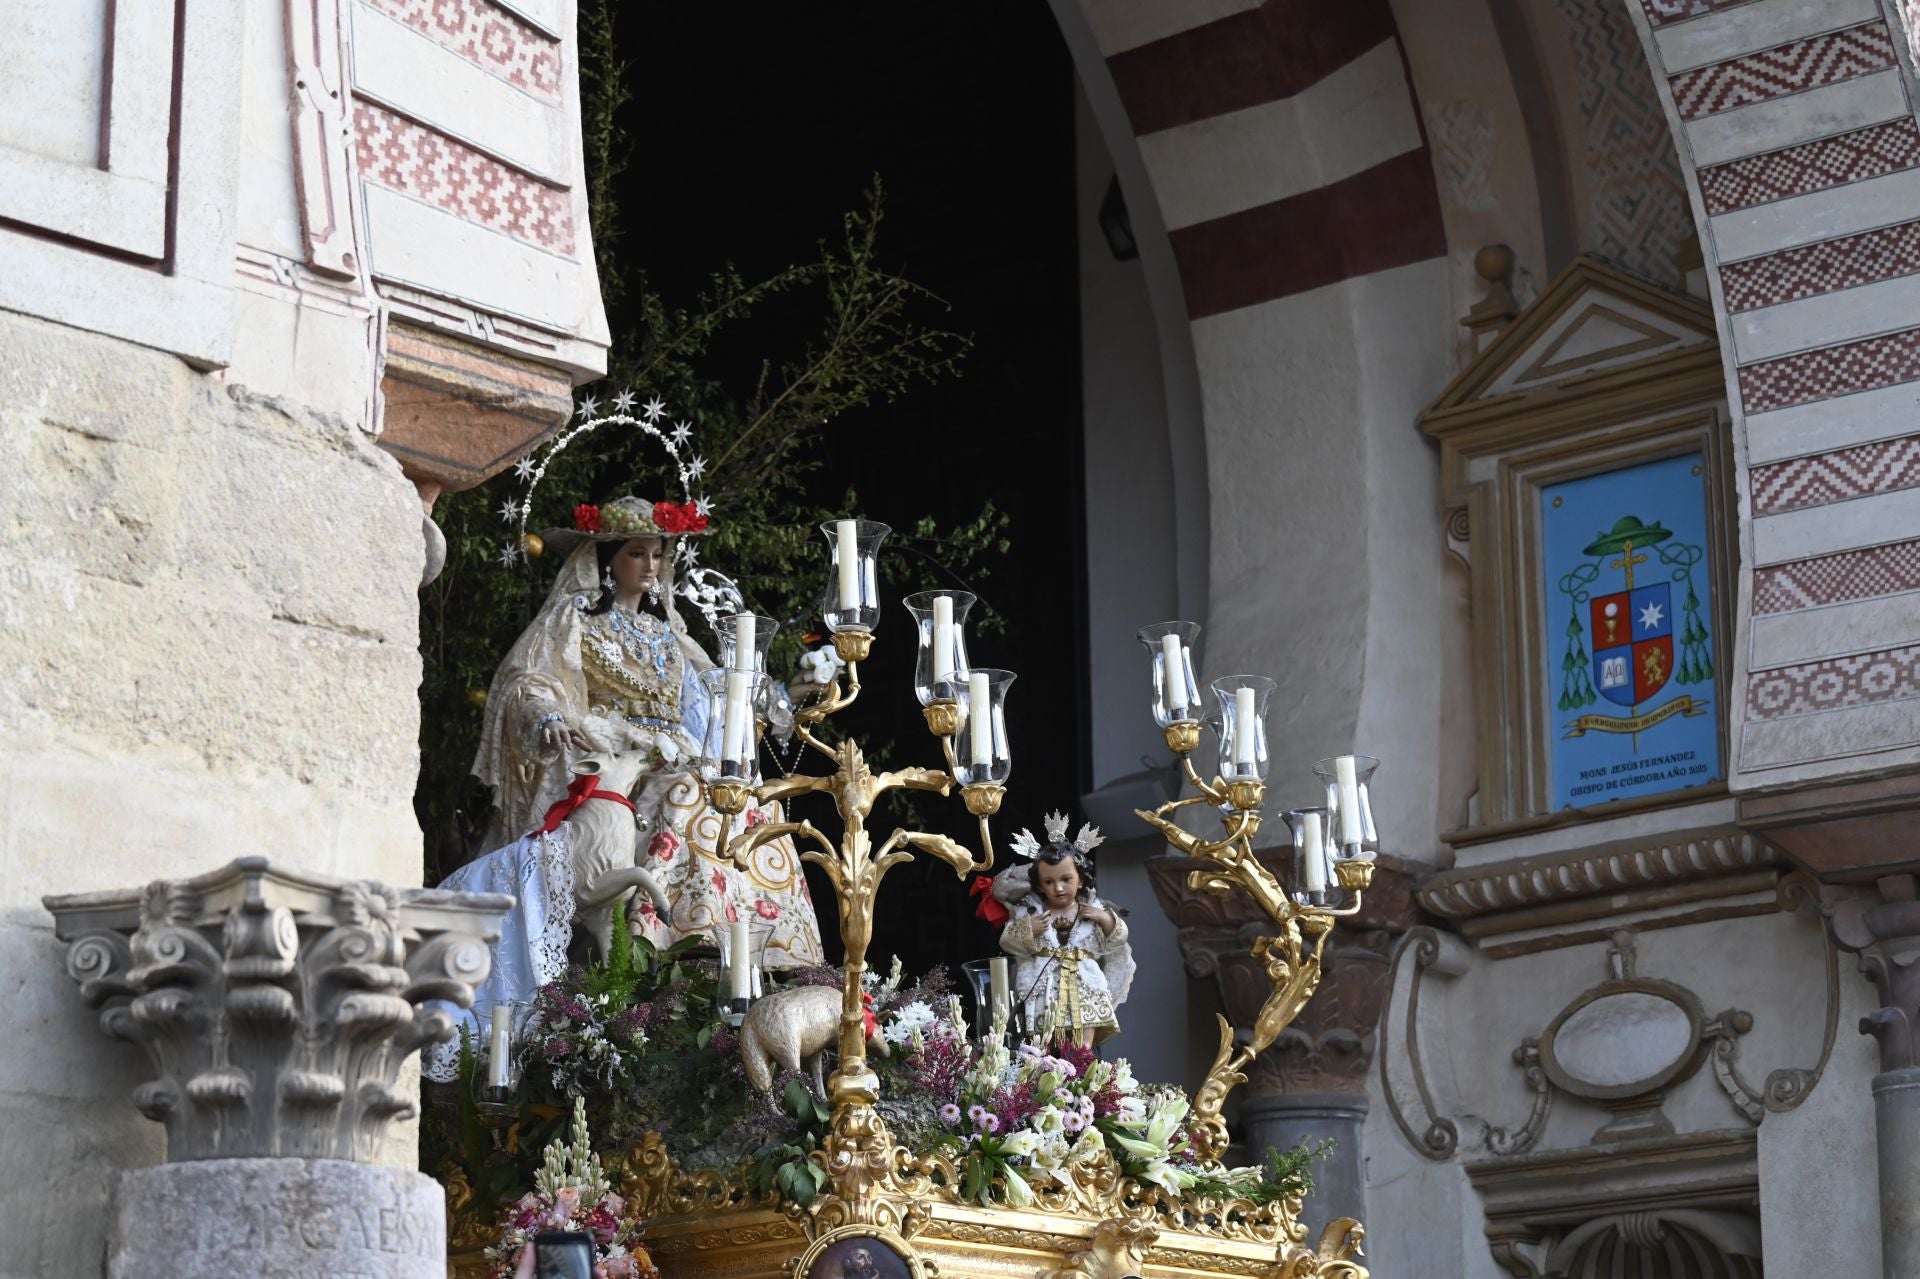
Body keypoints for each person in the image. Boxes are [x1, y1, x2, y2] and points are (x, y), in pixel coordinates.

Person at [469, 495, 824, 968]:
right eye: (637, 553)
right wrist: (547, 715)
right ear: (607, 559)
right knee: (686, 792)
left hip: (677, 750)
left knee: (744, 799)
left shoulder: (668, 633)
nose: (650, 565)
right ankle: (660, 932)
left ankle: (754, 942)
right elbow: (531, 675)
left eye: (657, 554)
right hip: (614, 750)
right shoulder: (578, 617)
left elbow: (719, 694)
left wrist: (787, 693)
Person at [996, 812, 1134, 1045]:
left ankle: (1084, 1063)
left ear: (1080, 880)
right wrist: (1028, 929)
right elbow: (1007, 940)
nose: (1058, 888)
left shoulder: (1091, 909)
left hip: (1084, 985)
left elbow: (1118, 938)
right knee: (1044, 1040)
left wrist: (1104, 918)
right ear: (1040, 885)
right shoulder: (1031, 911)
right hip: (1045, 987)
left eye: (1066, 879)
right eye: (1049, 882)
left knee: (1084, 1040)